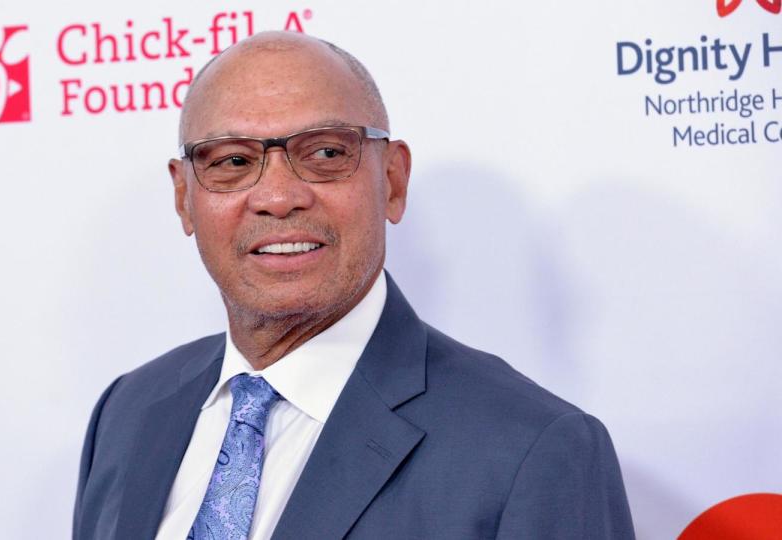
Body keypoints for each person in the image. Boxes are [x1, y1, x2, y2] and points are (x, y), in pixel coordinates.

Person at [72, 31, 635, 540]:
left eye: (324, 154)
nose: (277, 197)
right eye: (233, 161)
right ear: (184, 197)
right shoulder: (127, 412)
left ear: (392, 180)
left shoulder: (532, 450)